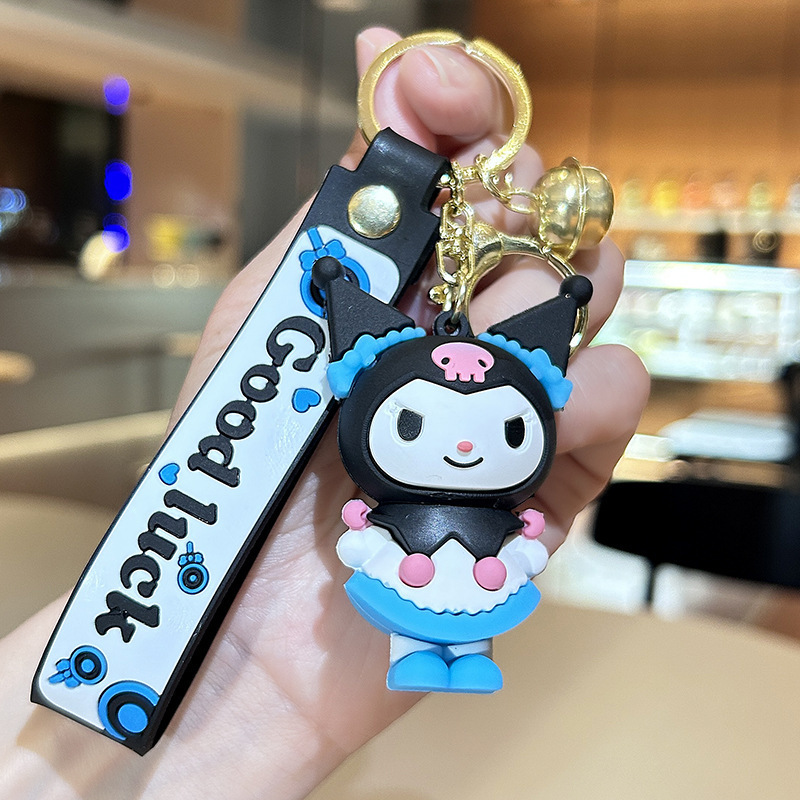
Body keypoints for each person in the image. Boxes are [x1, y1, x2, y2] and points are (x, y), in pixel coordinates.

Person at [0, 27, 649, 800]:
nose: (465, 445)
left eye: (510, 429)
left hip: (464, 570)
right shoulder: (355, 351)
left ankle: (456, 656)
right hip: (382, 567)